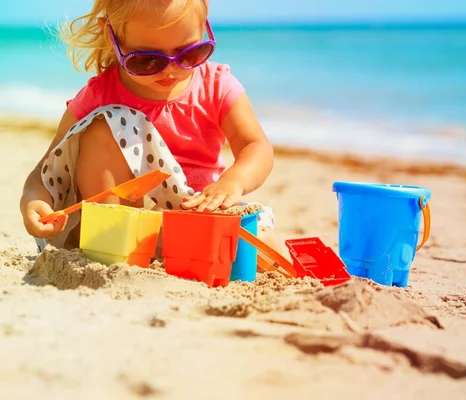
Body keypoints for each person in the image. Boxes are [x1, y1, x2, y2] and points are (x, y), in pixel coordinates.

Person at [19, 0, 280, 254]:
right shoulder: (100, 94)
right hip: (124, 224)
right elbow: (48, 167)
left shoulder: (216, 86)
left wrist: (233, 183)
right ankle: (115, 245)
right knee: (105, 123)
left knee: (262, 242)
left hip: (199, 210)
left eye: (189, 53)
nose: (170, 70)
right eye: (146, 60)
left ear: (204, 27)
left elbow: (255, 146)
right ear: (112, 37)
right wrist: (34, 199)